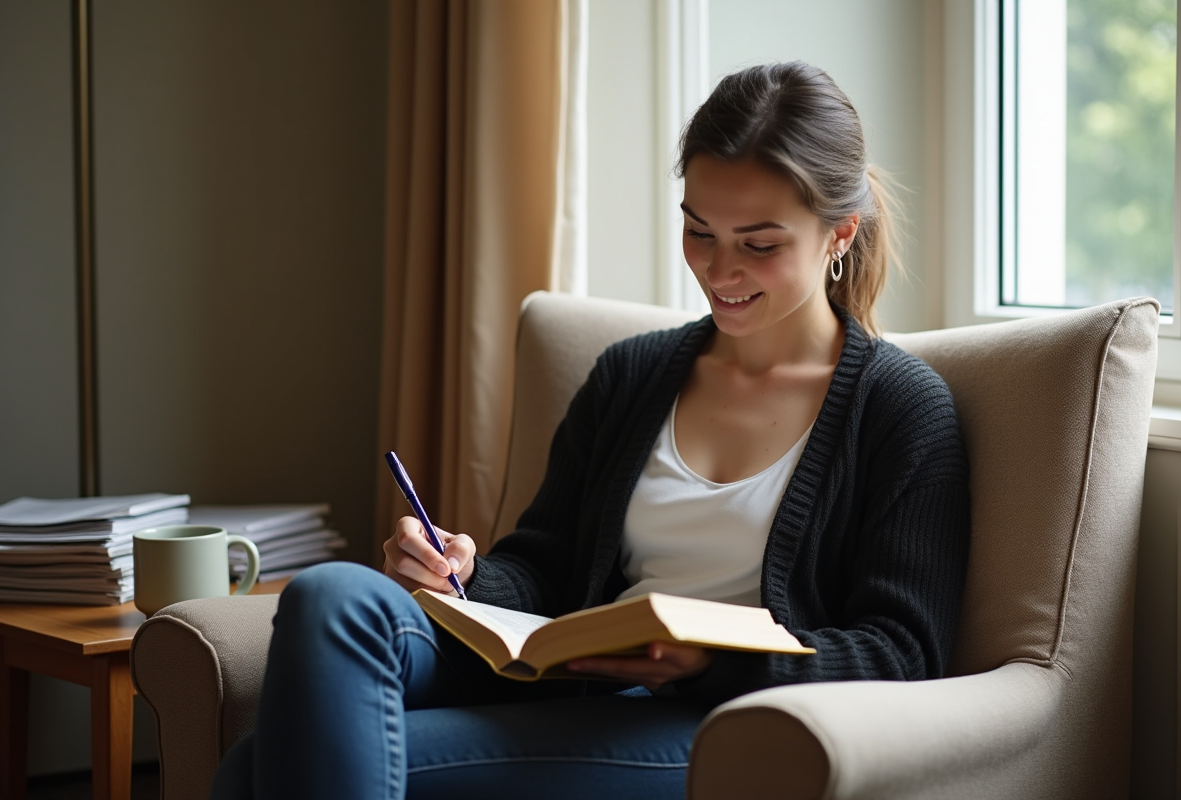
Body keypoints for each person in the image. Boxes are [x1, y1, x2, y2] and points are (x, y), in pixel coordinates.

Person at [210, 60, 970, 800]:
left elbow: (905, 652)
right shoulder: (630, 377)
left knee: (256, 770)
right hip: (570, 684)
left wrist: (709, 662)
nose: (718, 270)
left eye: (760, 244)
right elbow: (544, 567)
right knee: (329, 595)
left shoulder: (901, 409)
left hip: (717, 722)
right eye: (699, 230)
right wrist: (468, 573)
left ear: (839, 234)